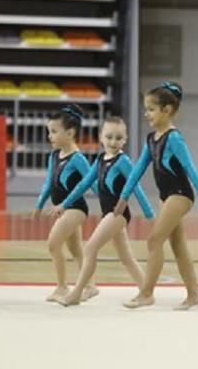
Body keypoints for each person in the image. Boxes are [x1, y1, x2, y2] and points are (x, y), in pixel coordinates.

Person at [114, 82, 198, 310]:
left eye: (151, 109)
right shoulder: (151, 139)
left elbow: (191, 168)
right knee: (178, 244)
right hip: (167, 196)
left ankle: (146, 293)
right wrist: (123, 197)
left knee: (154, 240)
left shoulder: (174, 138)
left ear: (167, 110)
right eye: (146, 108)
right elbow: (137, 170)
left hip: (180, 194)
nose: (146, 113)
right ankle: (194, 294)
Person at [53, 116, 154, 307]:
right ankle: (146, 292)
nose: (113, 142)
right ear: (101, 137)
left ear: (125, 139)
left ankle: (76, 293)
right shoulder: (100, 160)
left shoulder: (123, 161)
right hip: (109, 213)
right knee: (126, 257)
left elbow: (136, 187)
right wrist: (65, 204)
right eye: (109, 137)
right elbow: (84, 184)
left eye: (118, 138)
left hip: (117, 214)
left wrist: (149, 214)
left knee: (90, 248)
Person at [33, 105, 92, 304]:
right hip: (63, 209)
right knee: (75, 249)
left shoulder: (78, 158)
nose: (50, 136)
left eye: (54, 131)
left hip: (75, 208)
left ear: (70, 133)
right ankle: (90, 285)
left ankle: (62, 286)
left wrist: (110, 204)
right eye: (49, 131)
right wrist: (39, 204)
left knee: (53, 243)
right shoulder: (54, 156)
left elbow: (91, 180)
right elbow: (49, 182)